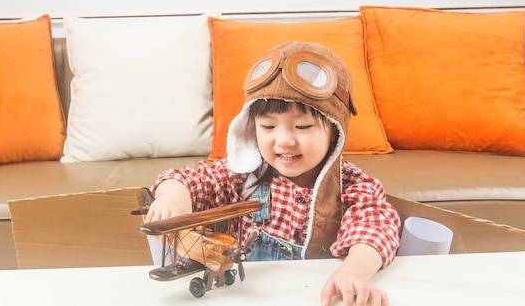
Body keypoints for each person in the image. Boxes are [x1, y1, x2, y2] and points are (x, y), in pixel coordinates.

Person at [145, 41, 401, 306]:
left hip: (316, 296)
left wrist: (354, 271)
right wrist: (174, 194)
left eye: (302, 126)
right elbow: (192, 179)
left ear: (335, 131)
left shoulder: (352, 184)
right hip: (249, 296)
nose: (284, 141)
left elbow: (375, 226)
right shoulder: (245, 175)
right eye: (268, 126)